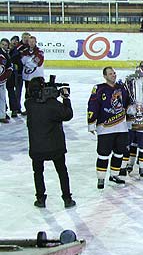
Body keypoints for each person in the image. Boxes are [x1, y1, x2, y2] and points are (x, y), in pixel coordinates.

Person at [25, 77, 76, 208]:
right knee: (62, 171)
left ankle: (40, 199)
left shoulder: (29, 104)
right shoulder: (53, 104)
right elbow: (68, 114)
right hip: (55, 147)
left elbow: (32, 98)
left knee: (38, 172)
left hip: (37, 147)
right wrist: (65, 98)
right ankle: (67, 199)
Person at [87, 67, 129, 189]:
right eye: (110, 74)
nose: (113, 75)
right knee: (103, 154)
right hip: (105, 128)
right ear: (104, 76)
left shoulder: (122, 88)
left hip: (121, 127)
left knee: (119, 152)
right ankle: (101, 178)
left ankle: (114, 175)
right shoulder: (99, 89)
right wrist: (91, 122)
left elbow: (127, 102)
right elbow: (92, 105)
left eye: (114, 73)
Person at [0, 38, 13, 123]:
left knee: (2, 98)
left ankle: (2, 115)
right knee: (2, 98)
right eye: (3, 44)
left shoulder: (6, 53)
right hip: (1, 79)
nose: (4, 46)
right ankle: (2, 115)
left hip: (2, 80)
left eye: (6, 44)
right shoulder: (2, 54)